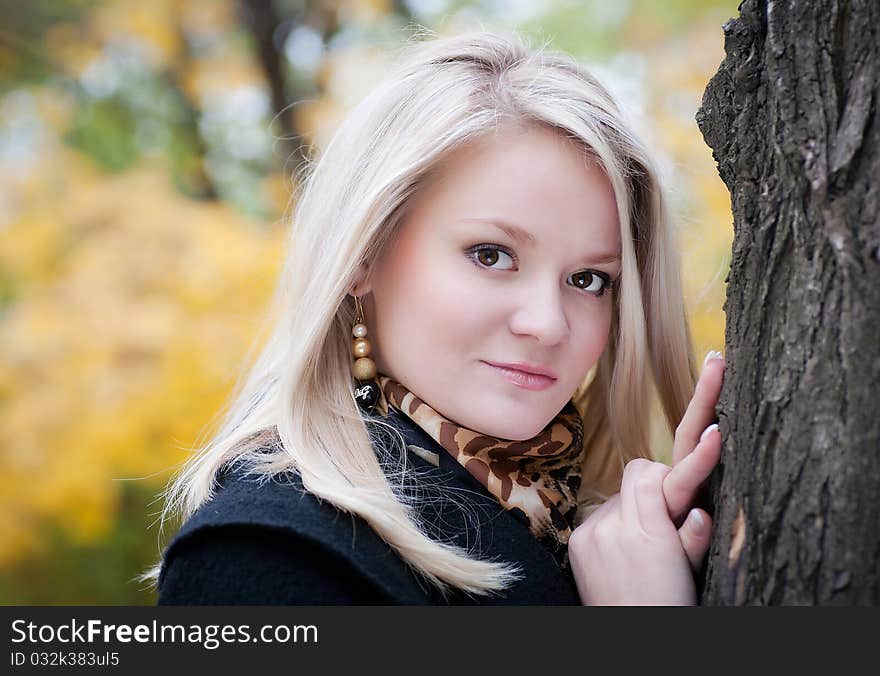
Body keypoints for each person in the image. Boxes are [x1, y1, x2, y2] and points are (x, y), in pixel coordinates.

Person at [143, 28, 725, 605]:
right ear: (364, 254)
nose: (548, 324)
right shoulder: (265, 557)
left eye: (588, 279)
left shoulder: (597, 529)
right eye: (492, 256)